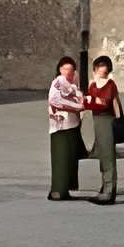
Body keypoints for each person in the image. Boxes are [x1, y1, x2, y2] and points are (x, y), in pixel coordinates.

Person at [84, 55, 123, 205]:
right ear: (95, 70)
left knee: (108, 156)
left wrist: (89, 101)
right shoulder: (93, 84)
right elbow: (90, 100)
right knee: (102, 154)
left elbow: (104, 103)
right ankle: (104, 187)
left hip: (108, 120)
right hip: (97, 121)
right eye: (99, 70)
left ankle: (109, 191)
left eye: (104, 71)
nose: (102, 73)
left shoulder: (110, 85)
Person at [46, 55, 85, 198]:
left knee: (71, 157)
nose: (68, 72)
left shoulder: (74, 82)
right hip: (60, 127)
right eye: (65, 69)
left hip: (73, 125)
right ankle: (58, 190)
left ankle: (68, 186)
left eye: (71, 69)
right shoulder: (58, 82)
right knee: (61, 157)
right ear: (60, 70)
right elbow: (54, 100)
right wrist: (76, 107)